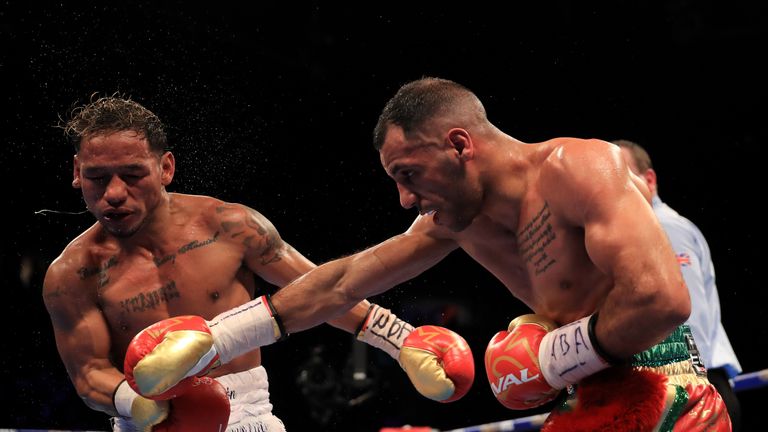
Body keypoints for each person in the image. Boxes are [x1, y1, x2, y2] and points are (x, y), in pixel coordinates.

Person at [128, 78, 732, 431]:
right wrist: (219, 337)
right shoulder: (454, 221)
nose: (404, 198)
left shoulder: (580, 168)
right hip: (590, 398)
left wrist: (550, 359)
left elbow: (662, 299)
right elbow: (342, 282)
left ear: (460, 144)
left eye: (409, 174)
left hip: (667, 394)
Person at [42, 95, 472, 431]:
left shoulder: (229, 225)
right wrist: (140, 406)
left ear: (166, 167)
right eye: (98, 177)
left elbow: (322, 290)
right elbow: (89, 373)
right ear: (77, 172)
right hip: (146, 423)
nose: (114, 193)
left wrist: (400, 341)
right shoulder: (72, 274)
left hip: (246, 415)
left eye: (133, 174)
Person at [614, 138, 742, 431]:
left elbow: (688, 314)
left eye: (621, 175)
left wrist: (682, 395)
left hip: (696, 388)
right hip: (680, 388)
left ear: (649, 179)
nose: (611, 187)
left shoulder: (665, 228)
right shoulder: (636, 232)